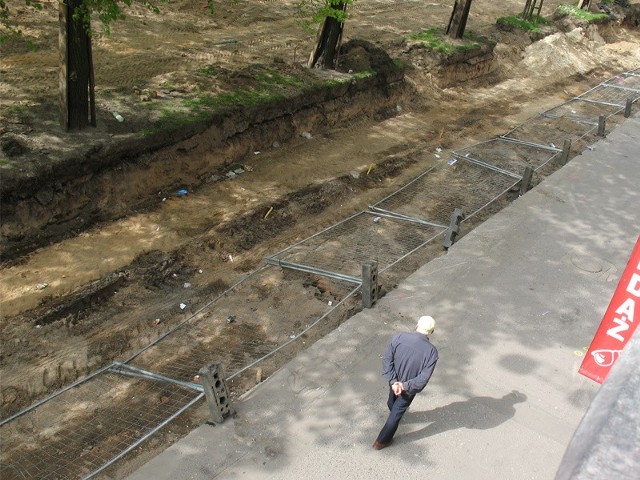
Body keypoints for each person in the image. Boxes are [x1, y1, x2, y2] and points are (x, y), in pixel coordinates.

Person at [373, 315, 439, 450]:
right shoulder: (431, 352)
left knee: (392, 402)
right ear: (431, 332)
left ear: (417, 325)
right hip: (408, 389)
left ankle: (393, 411)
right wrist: (404, 386)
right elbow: (423, 378)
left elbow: (387, 359)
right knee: (397, 412)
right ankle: (381, 441)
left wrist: (394, 382)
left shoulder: (399, 337)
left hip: (394, 382)